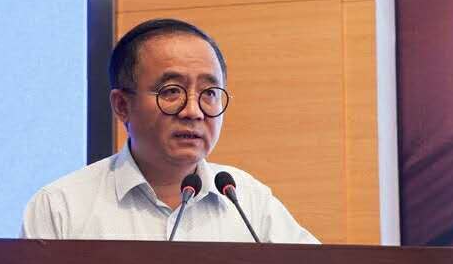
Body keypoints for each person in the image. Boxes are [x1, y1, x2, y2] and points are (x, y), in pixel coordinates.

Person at [21, 18, 318, 243]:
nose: (194, 111)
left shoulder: (248, 201)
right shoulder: (62, 207)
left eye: (209, 93)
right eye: (171, 91)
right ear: (122, 105)